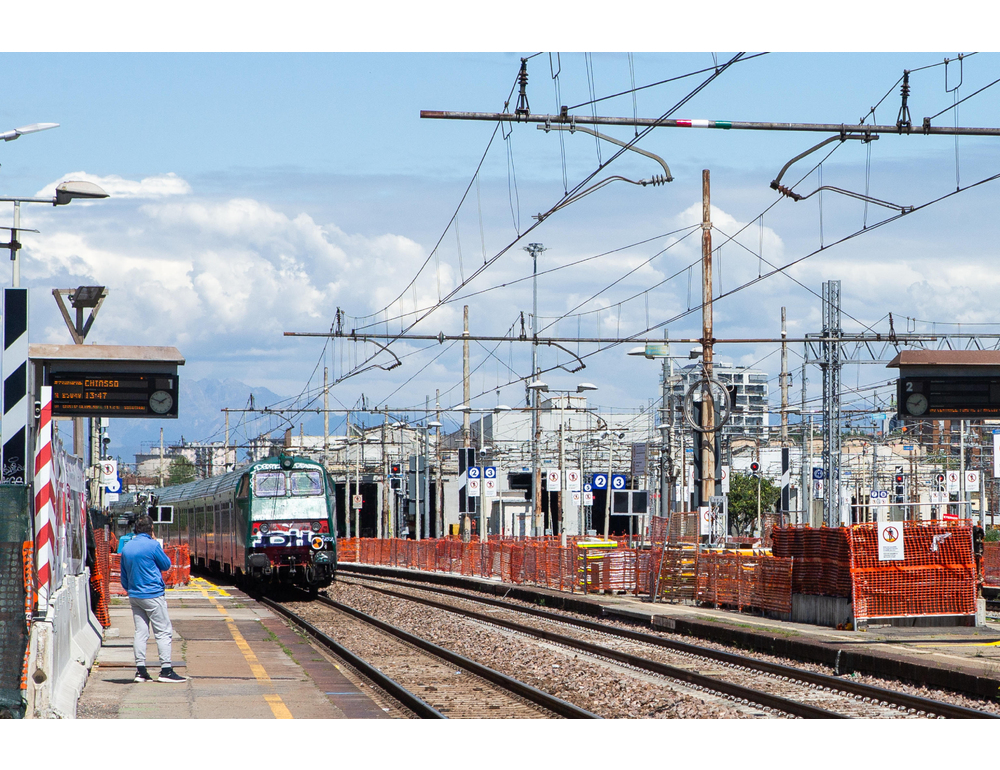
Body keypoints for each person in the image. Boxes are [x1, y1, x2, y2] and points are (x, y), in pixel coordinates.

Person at [119, 515, 186, 683]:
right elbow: (166, 565)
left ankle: (141, 671)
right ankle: (166, 670)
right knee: (163, 631)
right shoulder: (152, 545)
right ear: (151, 530)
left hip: (134, 595)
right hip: (153, 594)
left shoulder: (127, 548)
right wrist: (155, 541)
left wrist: (132, 590)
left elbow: (124, 577)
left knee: (140, 632)